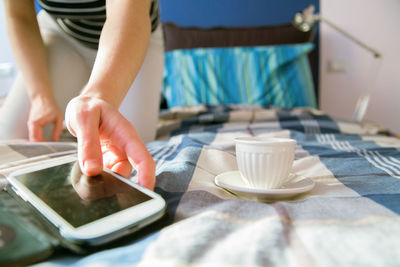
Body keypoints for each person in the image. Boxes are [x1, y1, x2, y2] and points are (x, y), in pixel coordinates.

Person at [0, 0, 164, 190]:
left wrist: (98, 98)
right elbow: (19, 16)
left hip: (131, 33)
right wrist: (40, 98)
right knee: (11, 140)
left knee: (128, 157)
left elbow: (128, 12)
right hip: (63, 36)